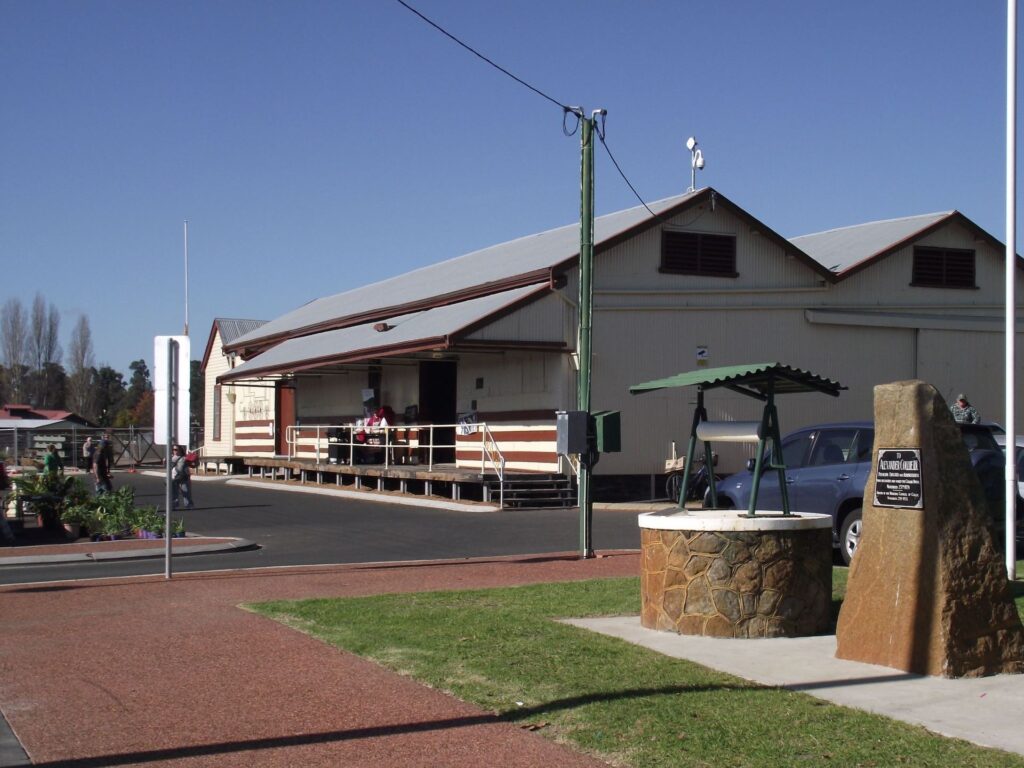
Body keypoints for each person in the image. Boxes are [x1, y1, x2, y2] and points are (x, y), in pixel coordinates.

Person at [171, 445, 194, 509]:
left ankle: (189, 505)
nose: (174, 451)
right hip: (174, 477)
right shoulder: (171, 457)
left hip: (184, 477)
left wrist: (193, 459)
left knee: (186, 492)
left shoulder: (185, 457)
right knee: (174, 493)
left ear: (180, 450)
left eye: (176, 449)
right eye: (173, 449)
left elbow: (193, 465)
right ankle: (174, 505)